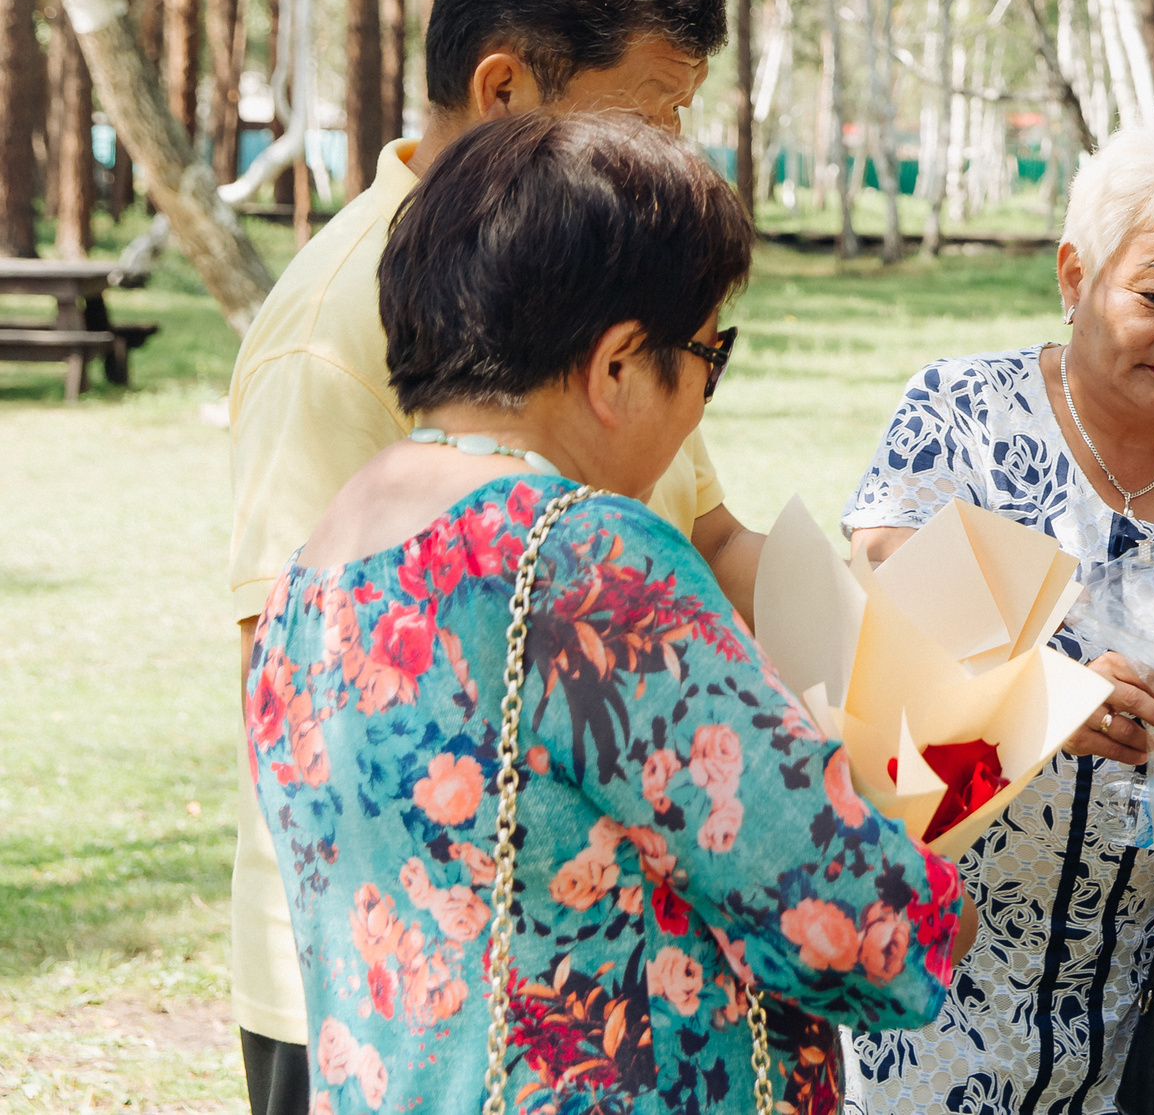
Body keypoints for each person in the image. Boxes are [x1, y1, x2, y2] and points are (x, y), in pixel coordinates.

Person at [245, 111, 968, 1112]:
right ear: (619, 365)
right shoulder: (586, 561)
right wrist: (938, 893)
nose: (704, 393)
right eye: (710, 352)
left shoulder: (320, 564)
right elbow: (840, 907)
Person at [224, 0, 766, 1115]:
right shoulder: (337, 324)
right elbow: (294, 673)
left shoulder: (582, 274)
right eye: (648, 114)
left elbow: (706, 534)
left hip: (584, 965)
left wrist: (927, 653)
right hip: (392, 989)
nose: (675, 150)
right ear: (507, 88)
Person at [842, 117, 1154, 1114]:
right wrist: (1043, 696)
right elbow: (883, 633)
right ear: (1075, 273)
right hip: (941, 991)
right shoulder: (964, 413)